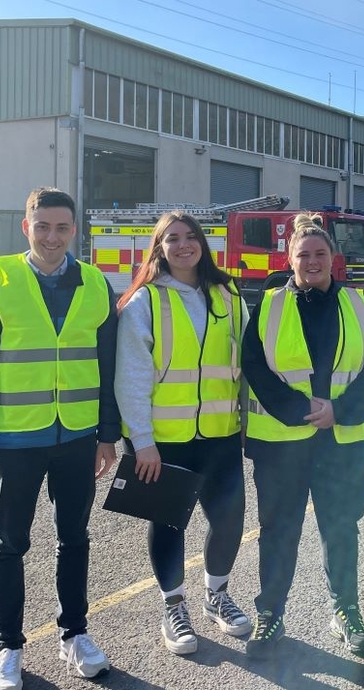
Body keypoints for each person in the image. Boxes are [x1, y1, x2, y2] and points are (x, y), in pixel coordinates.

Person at [241, 213, 364, 659]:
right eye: (303, 254)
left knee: (341, 529)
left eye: (320, 254)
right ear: (290, 259)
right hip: (283, 442)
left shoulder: (360, 306)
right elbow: (255, 368)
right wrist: (301, 410)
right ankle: (271, 615)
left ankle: (345, 611)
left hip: (343, 441)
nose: (312, 261)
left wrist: (338, 411)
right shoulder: (267, 306)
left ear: (333, 259)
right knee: (279, 531)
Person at [115, 211, 250, 656]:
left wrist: (253, 423)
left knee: (229, 520)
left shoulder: (229, 295)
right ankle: (173, 606)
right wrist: (141, 442)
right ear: (159, 248)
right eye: (172, 238)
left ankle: (218, 595)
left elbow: (250, 362)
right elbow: (131, 376)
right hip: (165, 440)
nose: (183, 245)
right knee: (169, 523)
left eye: (191, 237)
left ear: (202, 244)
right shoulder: (144, 302)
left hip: (221, 433)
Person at [0, 188, 117, 689]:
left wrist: (108, 435)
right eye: (42, 227)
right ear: (26, 228)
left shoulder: (94, 282)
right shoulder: (2, 278)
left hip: (77, 437)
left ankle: (75, 634)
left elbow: (110, 365)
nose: (52, 237)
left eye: (62, 228)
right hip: (14, 439)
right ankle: (8, 645)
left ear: (75, 231)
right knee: (9, 544)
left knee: (74, 539)